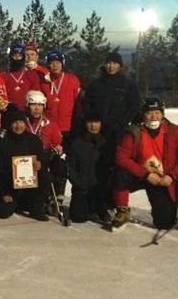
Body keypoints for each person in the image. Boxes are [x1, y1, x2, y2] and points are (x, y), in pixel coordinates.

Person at [112, 97, 178, 232]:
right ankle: (122, 210)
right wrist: (146, 174)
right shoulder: (134, 132)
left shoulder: (174, 131)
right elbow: (121, 157)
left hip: (162, 179)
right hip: (141, 175)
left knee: (165, 223)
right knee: (120, 172)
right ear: (143, 115)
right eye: (149, 113)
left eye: (157, 112)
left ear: (163, 114)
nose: (154, 117)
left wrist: (171, 176)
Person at [0, 108, 50, 221]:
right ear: (10, 125)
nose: (18, 126)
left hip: (30, 185)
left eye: (21, 122)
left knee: (45, 176)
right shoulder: (3, 143)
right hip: (11, 185)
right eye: (15, 123)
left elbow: (42, 158)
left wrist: (40, 165)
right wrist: (4, 192)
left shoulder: (33, 140)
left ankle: (36, 209)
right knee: (3, 213)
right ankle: (14, 202)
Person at [23, 90, 67, 213]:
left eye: (40, 105)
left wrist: (56, 148)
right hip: (25, 159)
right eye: (33, 104)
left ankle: (55, 197)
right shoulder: (22, 123)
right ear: (27, 105)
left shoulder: (50, 124)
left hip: (44, 157)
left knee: (60, 164)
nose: (37, 108)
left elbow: (57, 143)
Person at [83, 51, 140, 143]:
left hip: (118, 129)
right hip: (98, 129)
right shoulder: (96, 84)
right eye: (109, 63)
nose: (111, 66)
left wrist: (122, 122)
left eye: (115, 63)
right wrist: (93, 121)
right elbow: (87, 104)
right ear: (104, 65)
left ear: (120, 66)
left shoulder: (128, 84)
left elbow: (134, 105)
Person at [66, 112, 113, 223]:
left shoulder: (106, 143)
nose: (93, 125)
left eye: (96, 122)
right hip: (81, 188)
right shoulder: (77, 143)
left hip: (99, 189)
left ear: (101, 124)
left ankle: (100, 207)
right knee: (78, 218)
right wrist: (76, 182)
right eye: (90, 122)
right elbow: (71, 166)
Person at [40, 51, 81, 141]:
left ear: (62, 64)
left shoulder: (72, 79)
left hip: (68, 126)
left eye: (58, 62)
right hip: (49, 125)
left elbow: (78, 102)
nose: (55, 66)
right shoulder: (44, 82)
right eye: (52, 63)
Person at [0, 42, 41, 111]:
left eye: (19, 56)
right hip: (8, 113)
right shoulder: (2, 76)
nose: (17, 58)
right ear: (10, 57)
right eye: (14, 56)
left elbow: (36, 97)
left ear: (23, 57)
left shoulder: (32, 75)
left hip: (27, 114)